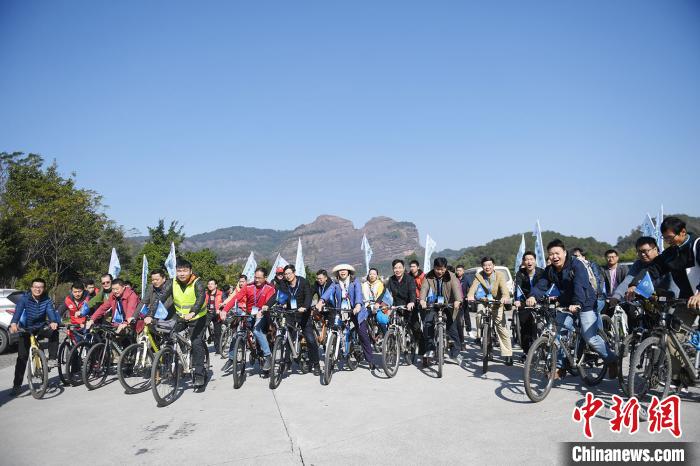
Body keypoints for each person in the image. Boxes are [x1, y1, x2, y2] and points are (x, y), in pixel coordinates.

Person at [530, 239, 617, 379]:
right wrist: (533, 296)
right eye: (551, 254)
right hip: (566, 304)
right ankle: (560, 367)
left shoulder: (576, 265)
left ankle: (612, 360)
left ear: (564, 252)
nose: (554, 257)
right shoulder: (550, 270)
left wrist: (577, 303)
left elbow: (580, 285)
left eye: (557, 253)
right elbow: (542, 285)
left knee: (590, 338)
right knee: (559, 335)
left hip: (585, 303)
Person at [634, 217, 700, 387]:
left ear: (683, 232)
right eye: (665, 239)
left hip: (698, 296)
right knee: (671, 338)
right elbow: (653, 269)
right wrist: (634, 285)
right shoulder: (670, 253)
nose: (668, 241)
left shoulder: (697, 245)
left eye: (671, 238)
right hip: (686, 300)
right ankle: (680, 375)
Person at [146, 259, 209, 388]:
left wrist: (192, 312)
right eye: (179, 270)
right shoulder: (172, 283)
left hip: (198, 318)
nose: (181, 273)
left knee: (196, 343)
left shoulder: (198, 283)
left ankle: (199, 375)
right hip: (180, 317)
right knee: (169, 335)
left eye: (185, 270)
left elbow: (200, 298)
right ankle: (175, 361)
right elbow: (160, 299)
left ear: (190, 271)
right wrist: (150, 315)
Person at [264, 264, 320, 376]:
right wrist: (267, 305)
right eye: (285, 274)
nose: (287, 276)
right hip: (290, 314)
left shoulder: (303, 282)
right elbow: (277, 296)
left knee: (310, 339)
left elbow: (308, 296)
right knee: (287, 338)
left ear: (294, 273)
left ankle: (316, 363)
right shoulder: (283, 284)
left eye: (289, 273)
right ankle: (286, 362)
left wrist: (305, 306)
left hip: (303, 314)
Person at [316, 264, 374, 370]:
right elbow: (329, 292)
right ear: (338, 273)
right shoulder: (335, 283)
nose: (342, 272)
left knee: (362, 334)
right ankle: (338, 350)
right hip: (342, 311)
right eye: (340, 270)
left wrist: (357, 305)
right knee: (337, 328)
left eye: (344, 270)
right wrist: (321, 301)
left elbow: (358, 293)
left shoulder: (354, 281)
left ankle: (370, 360)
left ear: (348, 271)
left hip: (356, 311)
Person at [9, 278, 61, 396]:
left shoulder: (46, 300)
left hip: (39, 327)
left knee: (54, 331)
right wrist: (14, 323)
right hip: (25, 329)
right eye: (35, 287)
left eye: (41, 287)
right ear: (31, 288)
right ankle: (17, 385)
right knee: (22, 358)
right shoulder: (24, 299)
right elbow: (18, 311)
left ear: (43, 289)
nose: (38, 289)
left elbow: (50, 311)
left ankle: (52, 359)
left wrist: (53, 321)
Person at [223, 267, 276, 371]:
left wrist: (264, 309)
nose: (257, 280)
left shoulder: (270, 288)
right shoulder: (248, 286)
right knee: (238, 333)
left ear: (265, 277)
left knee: (257, 330)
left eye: (259, 278)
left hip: (263, 314)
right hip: (250, 313)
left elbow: (270, 301)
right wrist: (225, 310)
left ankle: (267, 356)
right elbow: (236, 298)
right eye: (255, 277)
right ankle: (231, 358)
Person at [467, 257, 513, 366]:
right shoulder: (479, 275)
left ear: (493, 265)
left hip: (497, 302)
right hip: (484, 301)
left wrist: (505, 297)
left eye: (489, 265)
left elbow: (504, 290)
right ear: (482, 266)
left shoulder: (499, 275)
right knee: (479, 314)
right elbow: (473, 288)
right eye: (485, 265)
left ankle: (508, 354)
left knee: (501, 327)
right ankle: (480, 336)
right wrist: (470, 295)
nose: (487, 267)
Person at [419, 257, 463, 363]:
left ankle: (455, 353)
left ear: (445, 268)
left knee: (452, 329)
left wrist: (457, 300)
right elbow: (424, 288)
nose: (439, 271)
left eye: (442, 269)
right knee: (428, 324)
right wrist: (422, 300)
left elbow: (456, 289)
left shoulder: (452, 276)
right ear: (434, 267)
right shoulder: (428, 276)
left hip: (449, 304)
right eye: (437, 269)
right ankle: (430, 349)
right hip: (434, 303)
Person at [512, 252, 545, 359]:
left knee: (543, 326)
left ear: (535, 261)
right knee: (525, 328)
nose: (529, 262)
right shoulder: (520, 273)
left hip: (539, 301)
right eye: (526, 259)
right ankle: (526, 352)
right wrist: (517, 300)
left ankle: (544, 348)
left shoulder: (542, 272)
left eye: (531, 259)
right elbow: (518, 287)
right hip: (524, 302)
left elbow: (545, 287)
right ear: (523, 262)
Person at [385, 259, 417, 346]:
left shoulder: (409, 279)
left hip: (408, 306)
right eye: (395, 268)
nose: (397, 270)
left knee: (415, 327)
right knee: (389, 322)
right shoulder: (391, 280)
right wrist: (379, 303)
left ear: (403, 268)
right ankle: (391, 342)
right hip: (396, 306)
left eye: (399, 268)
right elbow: (385, 293)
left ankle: (421, 351)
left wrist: (411, 302)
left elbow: (412, 292)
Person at [571, 248, 606, 312]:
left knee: (594, 317)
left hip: (597, 298)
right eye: (574, 256)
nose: (575, 258)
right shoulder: (573, 267)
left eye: (577, 256)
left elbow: (597, 281)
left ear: (583, 257)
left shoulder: (591, 265)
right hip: (582, 299)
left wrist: (593, 295)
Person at [362, 267, 386, 332]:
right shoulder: (364, 284)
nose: (372, 276)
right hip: (367, 306)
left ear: (377, 276)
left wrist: (376, 304)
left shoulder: (380, 284)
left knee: (380, 319)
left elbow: (380, 296)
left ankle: (385, 335)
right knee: (362, 319)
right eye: (370, 274)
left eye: (374, 274)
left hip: (377, 305)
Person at [455, 264, 473, 342]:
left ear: (463, 271)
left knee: (466, 315)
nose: (458, 272)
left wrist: (469, 296)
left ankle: (469, 330)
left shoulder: (467, 278)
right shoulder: (454, 278)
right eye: (457, 270)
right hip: (456, 300)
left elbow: (471, 287)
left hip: (464, 299)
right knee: (457, 318)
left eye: (460, 270)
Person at [205, 279, 224, 354]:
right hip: (208, 313)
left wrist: (220, 310)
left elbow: (225, 303)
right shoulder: (206, 293)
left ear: (216, 285)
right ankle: (205, 342)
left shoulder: (221, 293)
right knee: (203, 328)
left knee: (217, 332)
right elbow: (203, 303)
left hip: (217, 314)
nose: (210, 285)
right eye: (209, 284)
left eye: (212, 284)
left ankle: (218, 349)